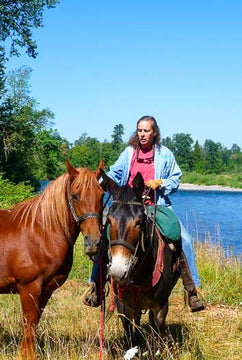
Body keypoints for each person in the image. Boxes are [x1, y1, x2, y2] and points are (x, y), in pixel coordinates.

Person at [84, 115, 205, 312]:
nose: (142, 134)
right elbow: (115, 173)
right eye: (139, 130)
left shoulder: (165, 154)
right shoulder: (129, 153)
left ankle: (192, 290)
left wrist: (161, 182)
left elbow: (176, 177)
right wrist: (97, 184)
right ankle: (95, 287)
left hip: (157, 205)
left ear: (154, 132)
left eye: (146, 130)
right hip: (129, 205)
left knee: (184, 238)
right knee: (105, 237)